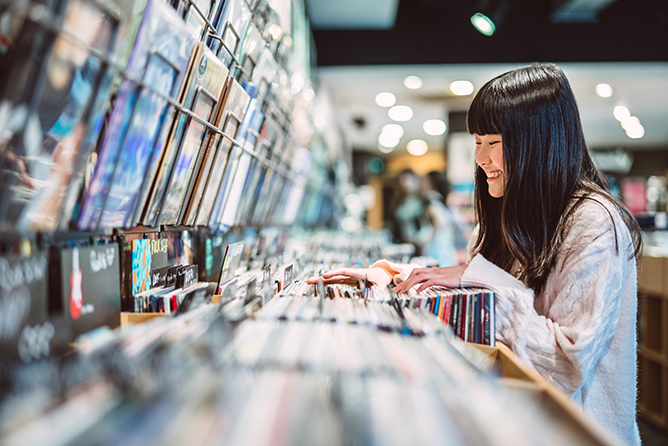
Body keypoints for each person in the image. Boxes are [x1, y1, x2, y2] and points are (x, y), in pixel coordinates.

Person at [309, 63, 642, 445]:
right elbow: (484, 305)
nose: (481, 158)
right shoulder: (505, 215)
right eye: (477, 141)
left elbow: (565, 364)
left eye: (493, 142)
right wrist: (400, 278)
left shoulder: (592, 221)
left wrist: (476, 279)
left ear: (537, 141)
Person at [392, 168, 459, 267]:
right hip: (444, 247)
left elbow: (438, 224)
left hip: (436, 248)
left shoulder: (432, 202)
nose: (422, 184)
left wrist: (422, 241)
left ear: (431, 183)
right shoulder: (439, 201)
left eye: (425, 181)